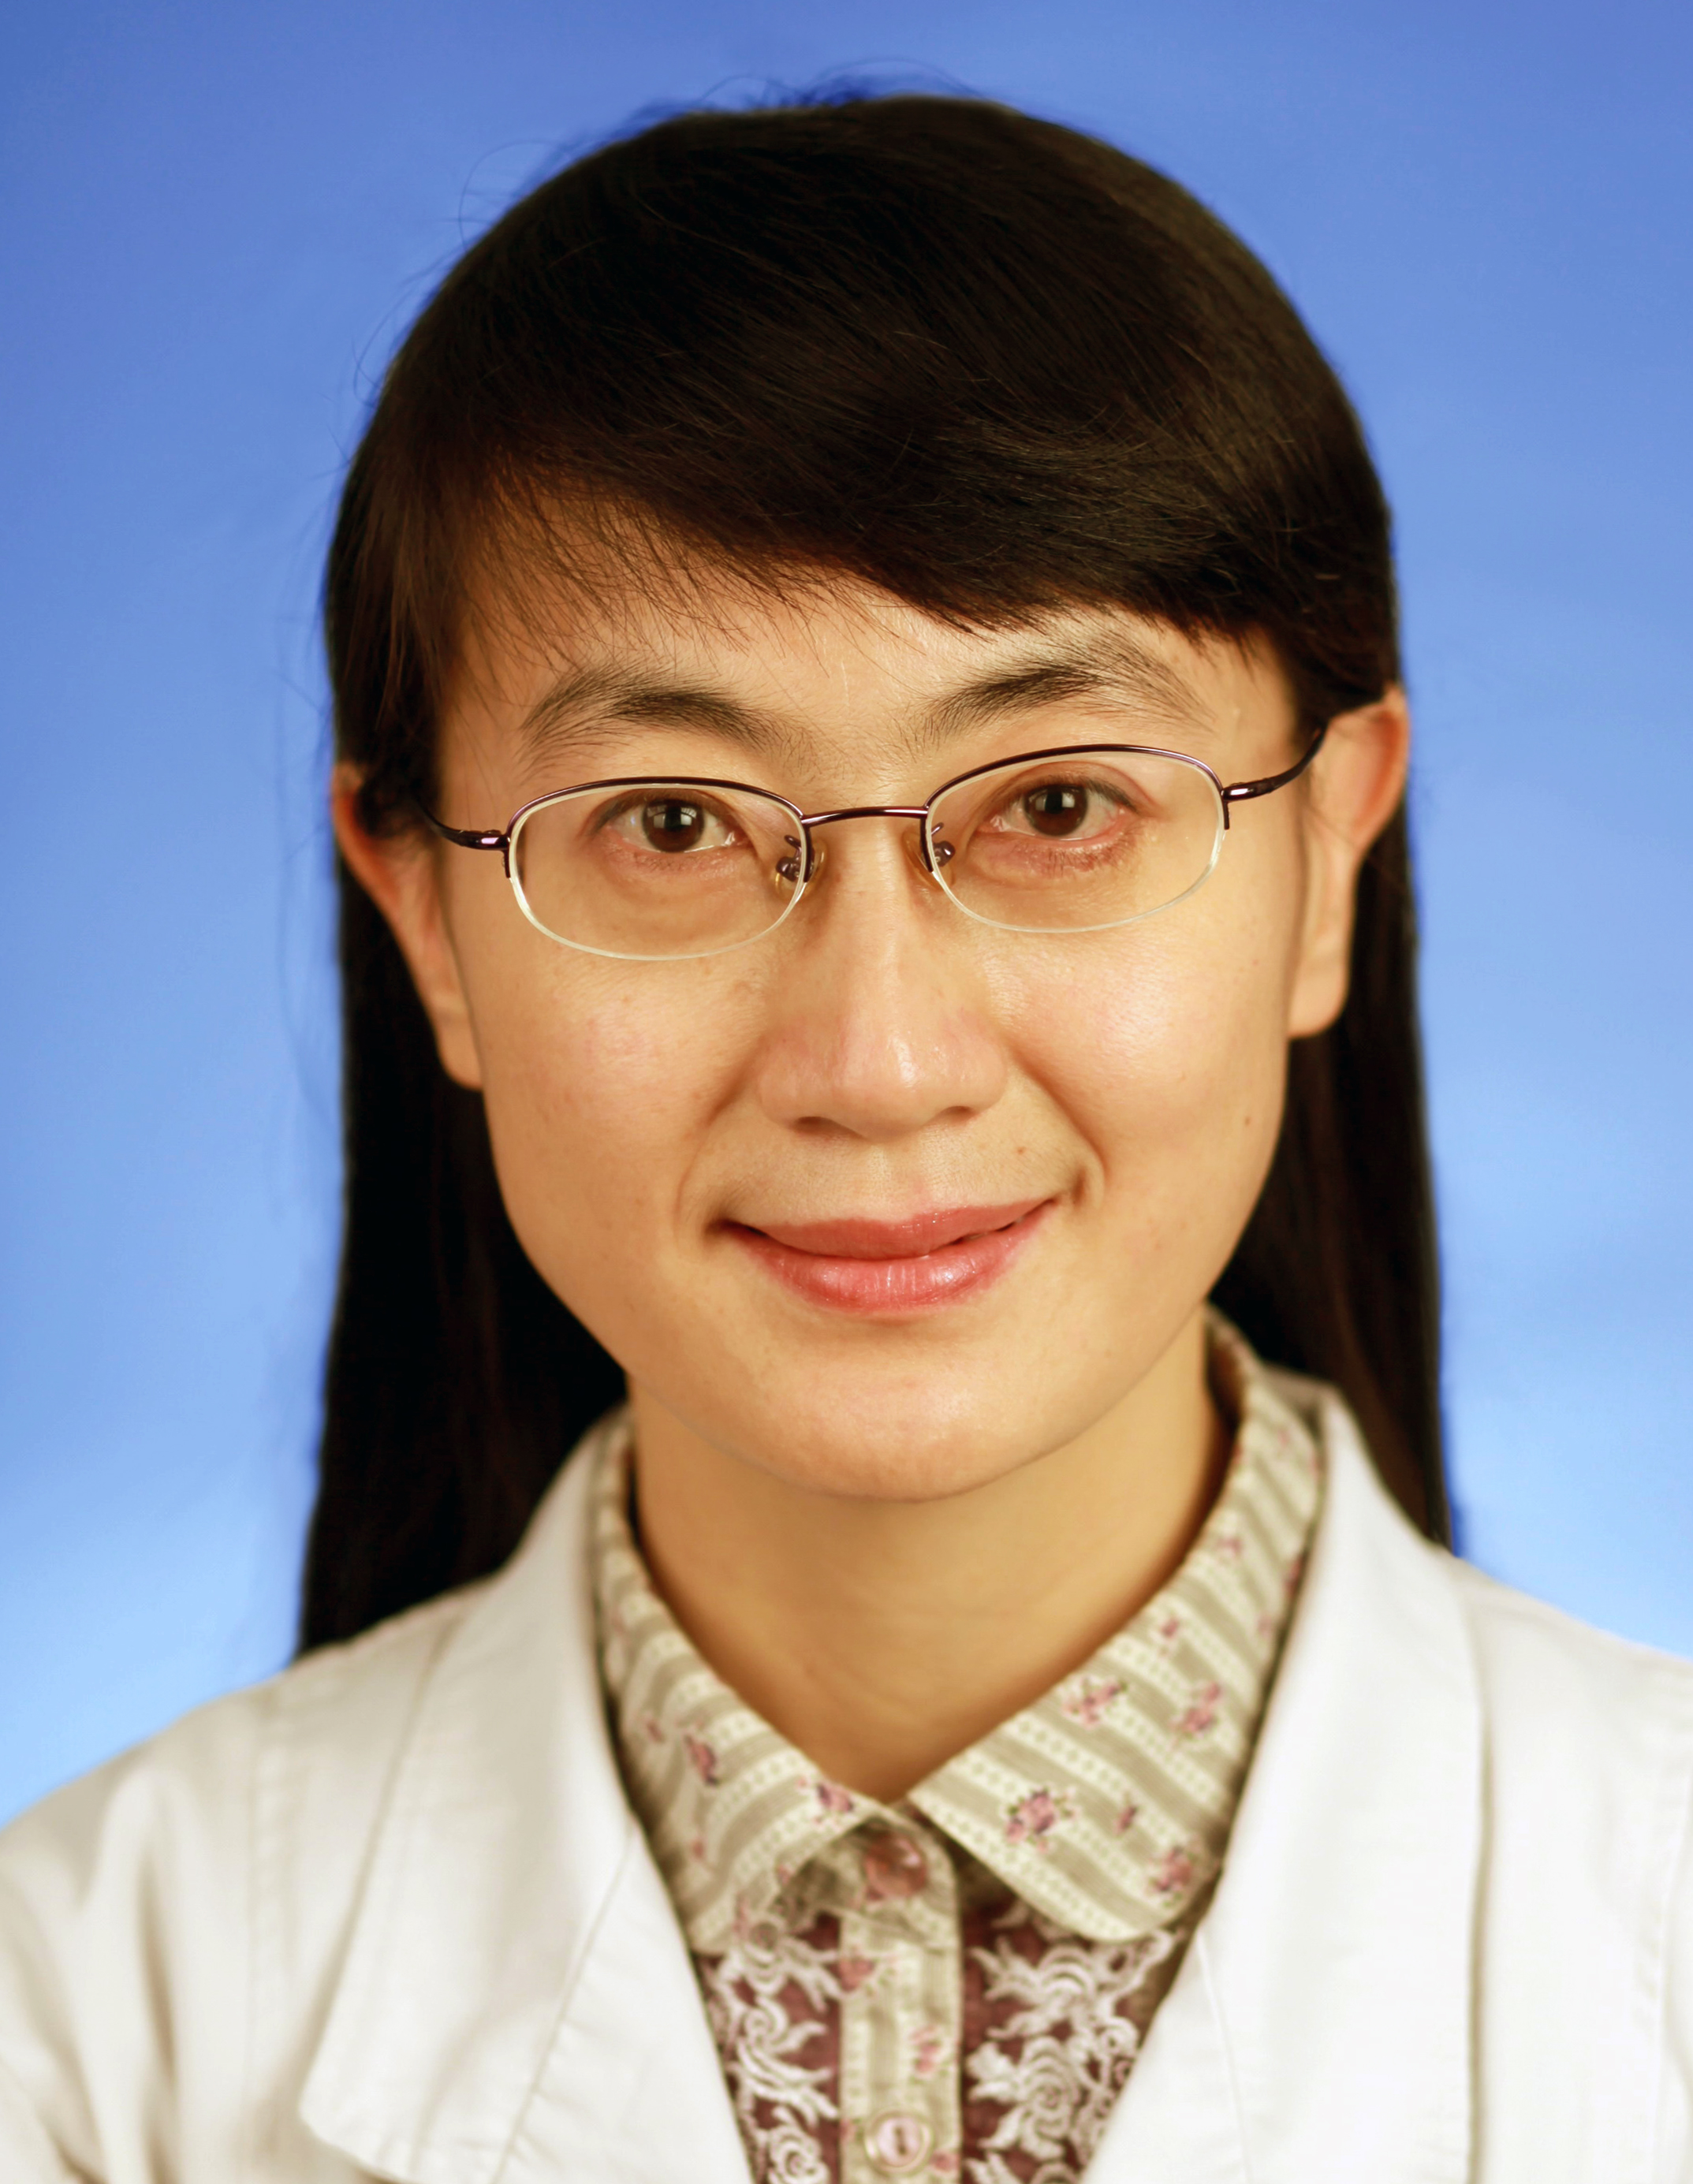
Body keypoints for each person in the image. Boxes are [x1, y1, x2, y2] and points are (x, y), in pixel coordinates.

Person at [1, 91, 1689, 2184]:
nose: (878, 1060)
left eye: (1058, 804)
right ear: (423, 910)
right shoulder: (83, 2030)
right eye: (670, 825)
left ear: (1327, 853)